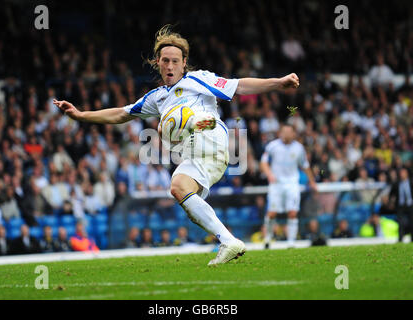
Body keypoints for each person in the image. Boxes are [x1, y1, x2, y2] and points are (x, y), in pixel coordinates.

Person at [53, 25, 300, 265]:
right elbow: (121, 114)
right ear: (157, 63)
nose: (170, 65)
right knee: (179, 188)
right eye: (165, 60)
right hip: (195, 153)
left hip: (211, 135)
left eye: (175, 61)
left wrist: (278, 82)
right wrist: (81, 115)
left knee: (168, 127)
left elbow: (238, 86)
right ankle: (228, 241)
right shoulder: (157, 97)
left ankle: (194, 123)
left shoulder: (198, 79)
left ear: (184, 64)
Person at [260, 125, 317, 248]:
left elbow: (305, 165)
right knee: (271, 213)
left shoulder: (299, 148)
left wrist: (312, 181)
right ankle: (268, 238)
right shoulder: (272, 146)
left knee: (292, 212)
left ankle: (291, 242)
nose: (286, 134)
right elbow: (263, 162)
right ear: (280, 133)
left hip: (292, 184)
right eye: (284, 131)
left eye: (288, 132)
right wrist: (269, 174)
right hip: (276, 184)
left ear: (293, 134)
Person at [389, 168, 413, 242]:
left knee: (412, 222)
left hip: (410, 205)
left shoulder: (411, 182)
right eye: (401, 173)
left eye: (404, 173)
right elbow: (391, 194)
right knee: (400, 222)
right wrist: (391, 202)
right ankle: (400, 238)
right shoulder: (396, 183)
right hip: (400, 205)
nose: (402, 174)